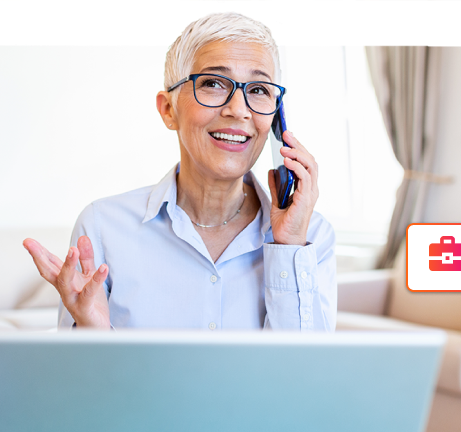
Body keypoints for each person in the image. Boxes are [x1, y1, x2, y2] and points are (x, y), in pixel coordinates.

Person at [23, 11, 336, 331]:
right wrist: (95, 332)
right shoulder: (103, 228)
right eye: (213, 83)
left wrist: (289, 248)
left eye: (259, 90)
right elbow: (79, 380)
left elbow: (304, 377)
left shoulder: (311, 238)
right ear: (168, 109)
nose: (239, 111)